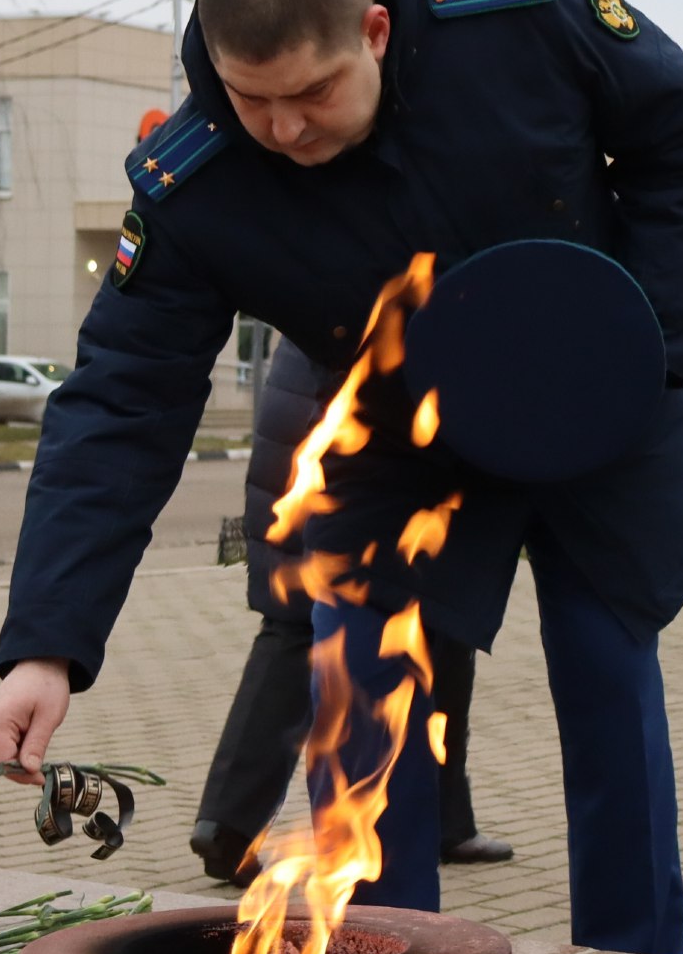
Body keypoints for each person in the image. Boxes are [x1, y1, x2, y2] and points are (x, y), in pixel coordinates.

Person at [0, 0, 683, 954]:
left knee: (608, 682)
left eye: (312, 93)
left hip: (591, 401)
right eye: (254, 100)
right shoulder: (195, 187)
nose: (284, 130)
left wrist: (646, 345)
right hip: (394, 448)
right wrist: (46, 646)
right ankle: (387, 950)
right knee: (360, 712)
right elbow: (118, 406)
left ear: (375, 31)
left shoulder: (523, 15)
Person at [189, 336, 512, 888]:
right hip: (352, 447)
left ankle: (227, 819)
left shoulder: (312, 291)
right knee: (437, 633)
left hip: (298, 437)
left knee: (290, 632)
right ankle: (445, 820)